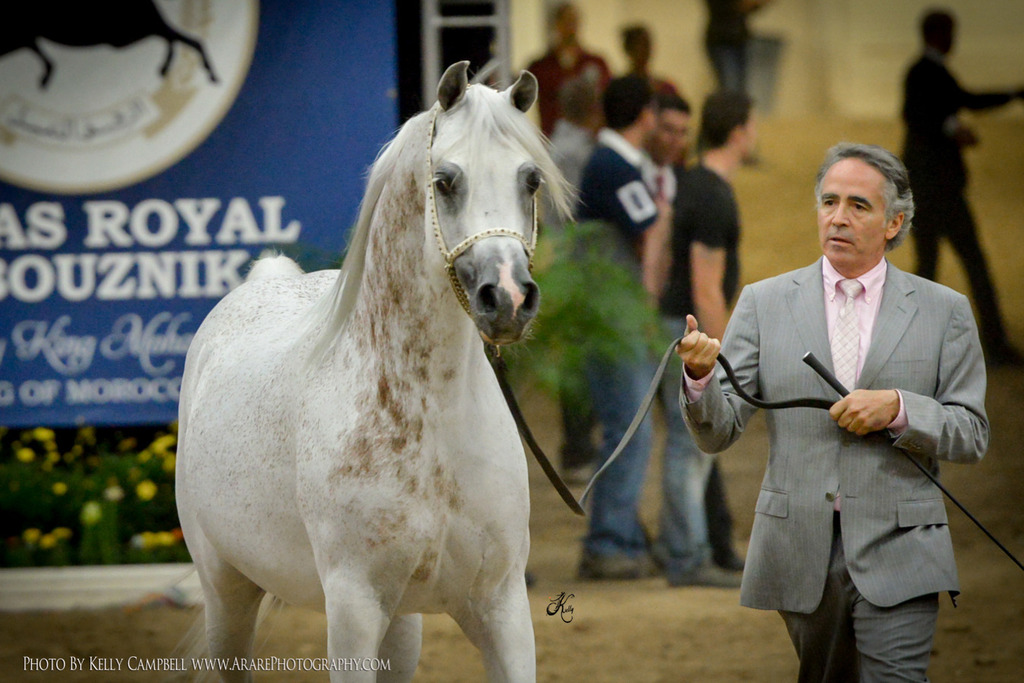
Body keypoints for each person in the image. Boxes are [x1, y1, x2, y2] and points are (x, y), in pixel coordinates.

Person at [676, 142, 989, 680]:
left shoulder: (945, 311)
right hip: (798, 549)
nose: (838, 218)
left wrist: (898, 408)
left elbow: (972, 432)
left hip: (903, 545)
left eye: (858, 206)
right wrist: (702, 378)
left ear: (895, 223)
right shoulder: (762, 302)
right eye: (829, 202)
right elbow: (719, 432)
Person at [652, 91, 755, 587]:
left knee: (689, 446)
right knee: (688, 449)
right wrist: (721, 352)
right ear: (738, 131)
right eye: (752, 124)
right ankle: (687, 558)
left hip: (668, 324)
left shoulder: (689, 180)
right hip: (688, 329)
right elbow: (705, 285)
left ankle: (696, 548)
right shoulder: (712, 193)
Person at [575, 75, 672, 580]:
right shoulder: (613, 165)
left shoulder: (611, 164)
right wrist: (650, 299)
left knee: (626, 429)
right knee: (627, 431)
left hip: (609, 317)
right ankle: (608, 541)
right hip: (614, 320)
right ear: (644, 115)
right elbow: (651, 227)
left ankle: (621, 536)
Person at [901, 8, 1024, 366]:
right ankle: (996, 342)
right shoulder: (926, 73)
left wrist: (1010, 93)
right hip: (939, 191)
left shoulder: (929, 72)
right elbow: (920, 116)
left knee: (929, 267)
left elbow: (960, 101)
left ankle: (914, 346)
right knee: (969, 263)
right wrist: (951, 130)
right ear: (938, 34)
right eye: (950, 32)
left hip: (927, 189)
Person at [546, 73, 604, 484]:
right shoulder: (577, 152)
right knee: (583, 361)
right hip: (582, 262)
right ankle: (577, 447)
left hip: (568, 259)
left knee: (579, 357)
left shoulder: (557, 144)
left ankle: (578, 446)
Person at [526, 2, 611, 138]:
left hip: (590, 140)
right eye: (565, 21)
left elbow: (606, 101)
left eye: (573, 21)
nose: (570, 27)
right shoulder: (540, 67)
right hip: (553, 141)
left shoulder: (596, 63)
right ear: (556, 25)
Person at [703, 0, 771, 94]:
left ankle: (734, 106)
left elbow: (749, 9)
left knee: (739, 89)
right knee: (731, 87)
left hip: (739, 39)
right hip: (721, 39)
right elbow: (737, 7)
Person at [621, 24, 680, 97]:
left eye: (647, 45)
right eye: (639, 45)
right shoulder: (619, 89)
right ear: (628, 49)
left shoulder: (665, 88)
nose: (645, 50)